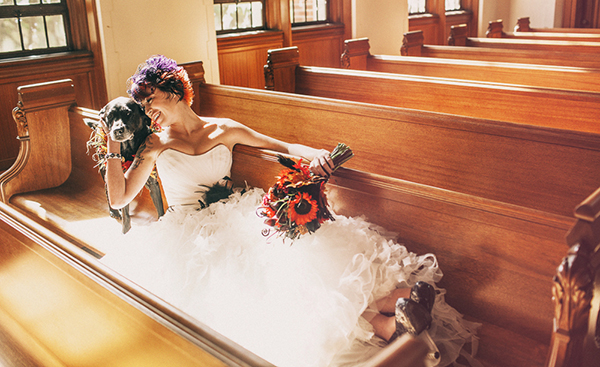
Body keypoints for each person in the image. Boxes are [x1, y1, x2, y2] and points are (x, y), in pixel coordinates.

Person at [100, 55, 480, 367]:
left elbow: (282, 144)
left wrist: (319, 156)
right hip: (191, 235)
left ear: (173, 90)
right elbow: (119, 199)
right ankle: (389, 319)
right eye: (144, 104)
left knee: (300, 264)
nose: (147, 110)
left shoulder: (222, 130)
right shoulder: (151, 145)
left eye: (151, 99)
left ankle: (398, 307)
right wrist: (112, 146)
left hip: (237, 215)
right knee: (273, 286)